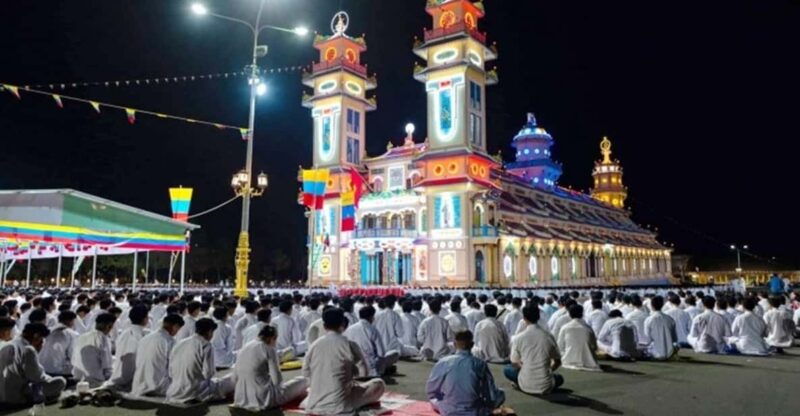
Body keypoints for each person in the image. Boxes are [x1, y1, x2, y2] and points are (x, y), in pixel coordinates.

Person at [303, 308, 386, 415]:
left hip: (314, 404)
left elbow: (305, 373)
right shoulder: (349, 344)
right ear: (343, 324)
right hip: (340, 406)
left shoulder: (314, 345)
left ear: (324, 326)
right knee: (378, 384)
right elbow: (363, 372)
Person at [427, 330, 505, 415]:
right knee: (500, 394)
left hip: (448, 410)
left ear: (454, 344)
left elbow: (431, 390)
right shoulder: (480, 363)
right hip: (474, 411)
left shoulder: (443, 362)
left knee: (434, 399)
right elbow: (490, 393)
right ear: (472, 345)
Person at [233, 324, 309, 411]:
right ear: (273, 338)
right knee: (302, 380)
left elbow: (234, 378)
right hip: (264, 399)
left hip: (240, 397)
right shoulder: (268, 348)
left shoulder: (244, 347)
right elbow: (277, 381)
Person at [166, 318, 234, 403]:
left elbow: (170, 372)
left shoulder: (180, 343)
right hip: (194, 391)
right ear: (209, 332)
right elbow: (209, 373)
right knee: (231, 379)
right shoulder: (206, 345)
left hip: (174, 390)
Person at [0, 323, 66, 406]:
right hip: (17, 397)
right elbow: (36, 377)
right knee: (61, 381)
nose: (42, 342)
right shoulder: (28, 349)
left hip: (2, 395)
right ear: (36, 336)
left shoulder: (8, 343)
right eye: (42, 339)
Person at [504, 305, 563, 395]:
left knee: (507, 369)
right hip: (546, 385)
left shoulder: (519, 338)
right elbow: (557, 362)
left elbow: (514, 363)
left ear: (524, 318)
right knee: (559, 378)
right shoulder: (548, 336)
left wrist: (526, 367)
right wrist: (549, 370)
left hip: (525, 383)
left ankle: (519, 383)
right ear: (538, 317)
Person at [130, 314, 185, 397]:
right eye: (178, 329)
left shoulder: (145, 337)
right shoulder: (170, 341)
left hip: (138, 384)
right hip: (159, 386)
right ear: (175, 326)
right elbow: (174, 368)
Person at [106, 305, 149, 392]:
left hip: (117, 374)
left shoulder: (124, 333)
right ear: (145, 319)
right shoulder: (140, 337)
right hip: (129, 379)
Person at [72, 312, 116, 387]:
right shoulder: (103, 339)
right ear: (109, 326)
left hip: (77, 377)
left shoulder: (82, 336)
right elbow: (107, 366)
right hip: (95, 381)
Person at [557, 305, 601, 371]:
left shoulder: (565, 327)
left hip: (568, 360)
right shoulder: (588, 328)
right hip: (588, 361)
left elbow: (559, 346)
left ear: (569, 314)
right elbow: (594, 347)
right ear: (582, 314)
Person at [38, 310, 79, 376]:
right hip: (57, 370)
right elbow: (72, 355)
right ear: (70, 321)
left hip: (42, 367)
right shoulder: (71, 334)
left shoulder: (49, 330)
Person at [643, 296, 678, 360]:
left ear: (651, 306)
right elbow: (675, 339)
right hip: (669, 353)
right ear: (662, 305)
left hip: (654, 353)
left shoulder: (649, 320)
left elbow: (647, 339)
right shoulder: (670, 319)